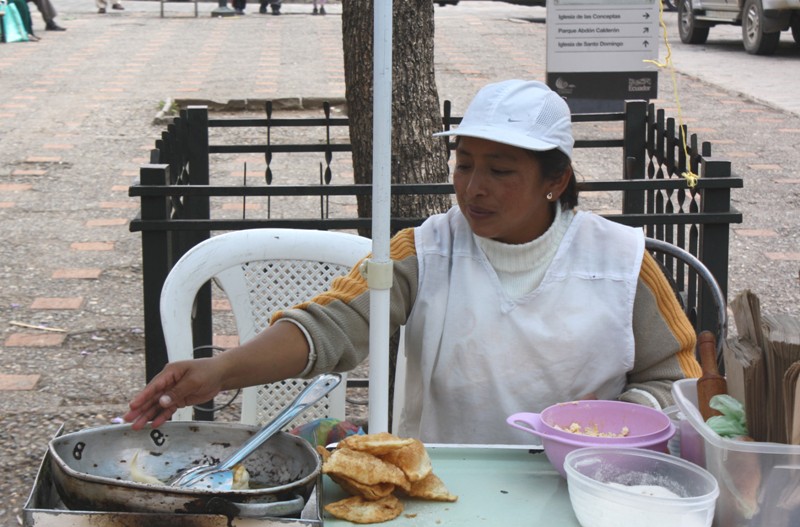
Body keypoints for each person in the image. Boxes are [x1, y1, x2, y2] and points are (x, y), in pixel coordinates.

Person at [124, 79, 702, 444]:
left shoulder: (622, 261)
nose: (474, 188)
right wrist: (220, 370)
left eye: (501, 171)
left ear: (557, 180)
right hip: (445, 479)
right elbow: (331, 326)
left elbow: (678, 379)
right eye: (465, 164)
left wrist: (610, 430)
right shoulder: (425, 250)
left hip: (584, 480)